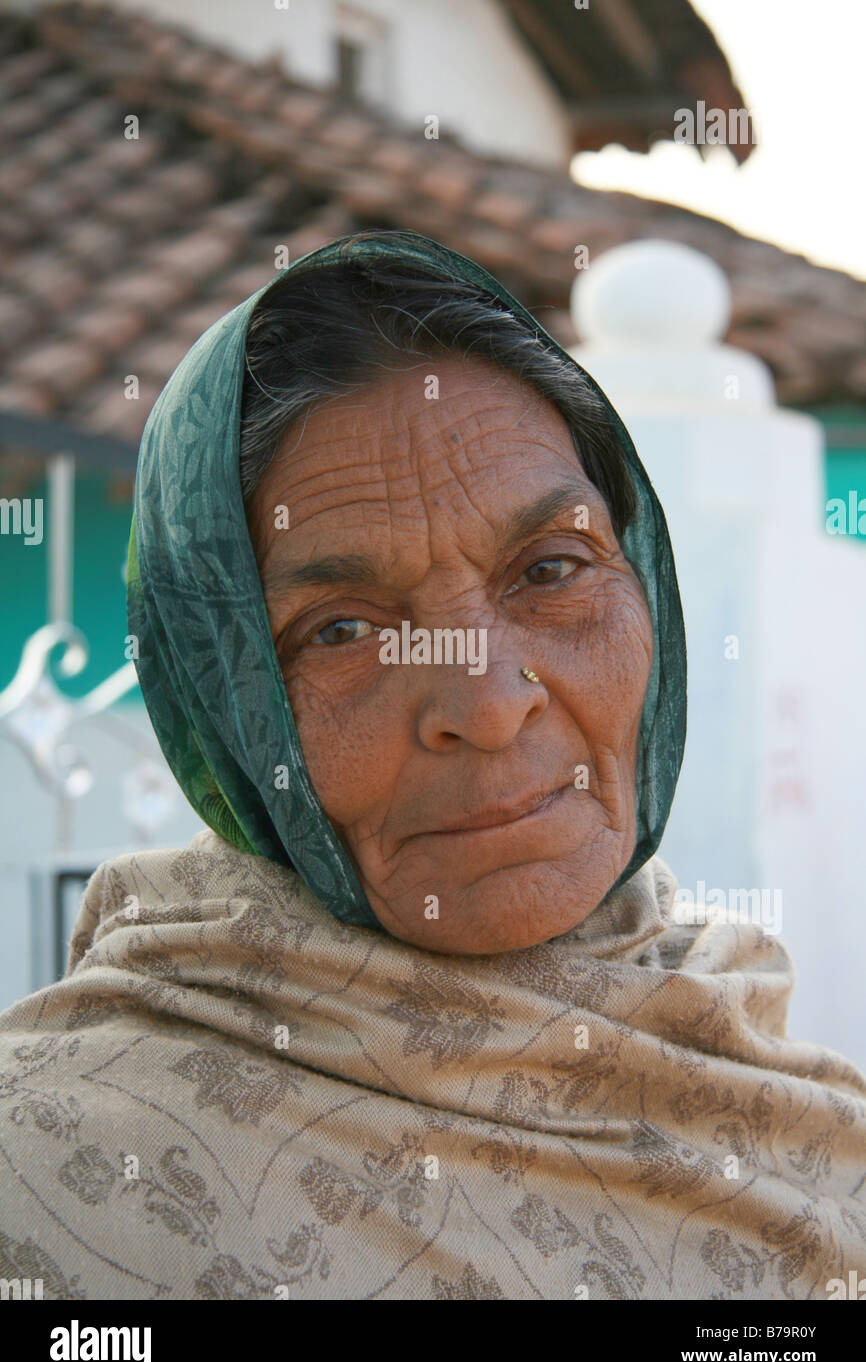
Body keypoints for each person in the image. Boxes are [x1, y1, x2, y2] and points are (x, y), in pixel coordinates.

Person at [0, 231, 863, 1301]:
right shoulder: (50, 1174)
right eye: (342, 631)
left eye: (551, 568)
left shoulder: (771, 1084)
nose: (490, 707)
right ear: (217, 698)